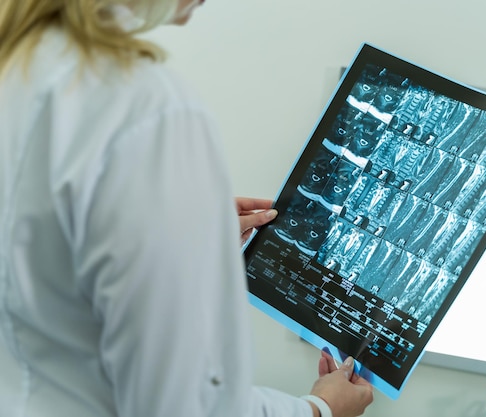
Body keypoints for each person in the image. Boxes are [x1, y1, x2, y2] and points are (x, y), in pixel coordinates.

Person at [0, 1, 374, 416]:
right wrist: (318, 410)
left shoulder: (18, 66)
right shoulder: (148, 107)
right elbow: (186, 404)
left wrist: (174, 243)